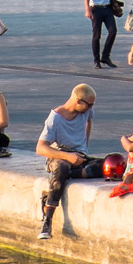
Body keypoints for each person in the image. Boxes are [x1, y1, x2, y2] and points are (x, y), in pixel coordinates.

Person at [36, 81, 98, 239]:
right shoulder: (55, 118)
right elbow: (41, 148)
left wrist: (85, 145)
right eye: (89, 105)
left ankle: (71, 174)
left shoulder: (85, 111)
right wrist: (68, 156)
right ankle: (47, 220)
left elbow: (89, 122)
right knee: (61, 169)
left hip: (79, 155)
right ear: (78, 101)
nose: (90, 109)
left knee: (109, 166)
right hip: (61, 156)